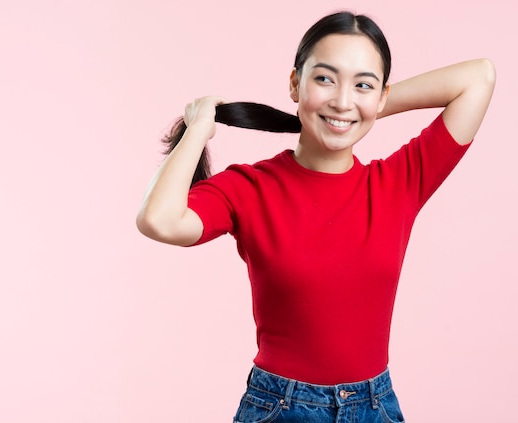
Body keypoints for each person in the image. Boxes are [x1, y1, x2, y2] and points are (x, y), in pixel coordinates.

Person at [136, 11, 495, 423]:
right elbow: (159, 220)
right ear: (295, 84)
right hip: (280, 408)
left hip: (375, 407)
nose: (342, 97)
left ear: (382, 94)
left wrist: (358, 110)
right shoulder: (251, 187)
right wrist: (200, 127)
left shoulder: (398, 182)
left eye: (363, 84)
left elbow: (479, 77)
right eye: (324, 79)